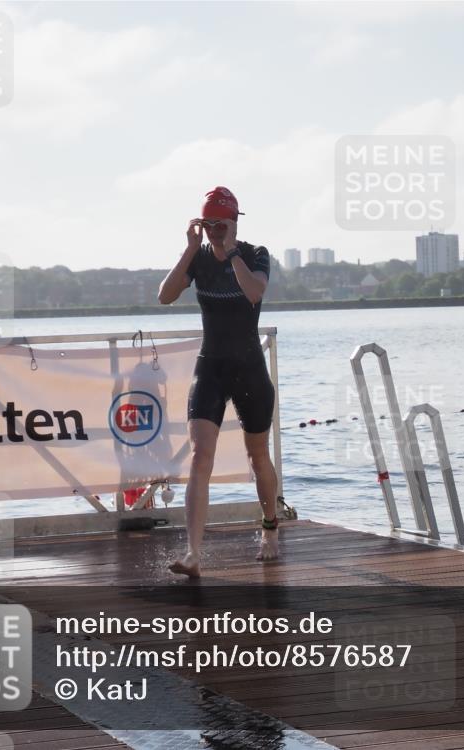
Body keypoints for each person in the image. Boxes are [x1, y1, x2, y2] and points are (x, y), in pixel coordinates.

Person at [158, 186, 279, 577]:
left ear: (235, 222)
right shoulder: (200, 257)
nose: (214, 231)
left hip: (249, 368)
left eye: (221, 224)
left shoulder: (256, 254)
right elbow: (165, 296)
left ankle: (270, 529)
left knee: (257, 455)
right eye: (208, 224)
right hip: (210, 367)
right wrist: (191, 249)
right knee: (200, 456)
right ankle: (194, 553)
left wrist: (231, 253)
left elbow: (254, 292)